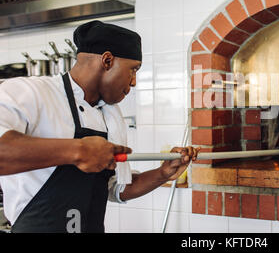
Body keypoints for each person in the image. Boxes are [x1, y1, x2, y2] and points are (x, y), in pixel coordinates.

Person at [0, 20, 199, 233]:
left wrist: (163, 173)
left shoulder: (110, 114)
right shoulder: (28, 93)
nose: (133, 82)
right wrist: (79, 151)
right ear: (107, 60)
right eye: (133, 70)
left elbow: (117, 188)